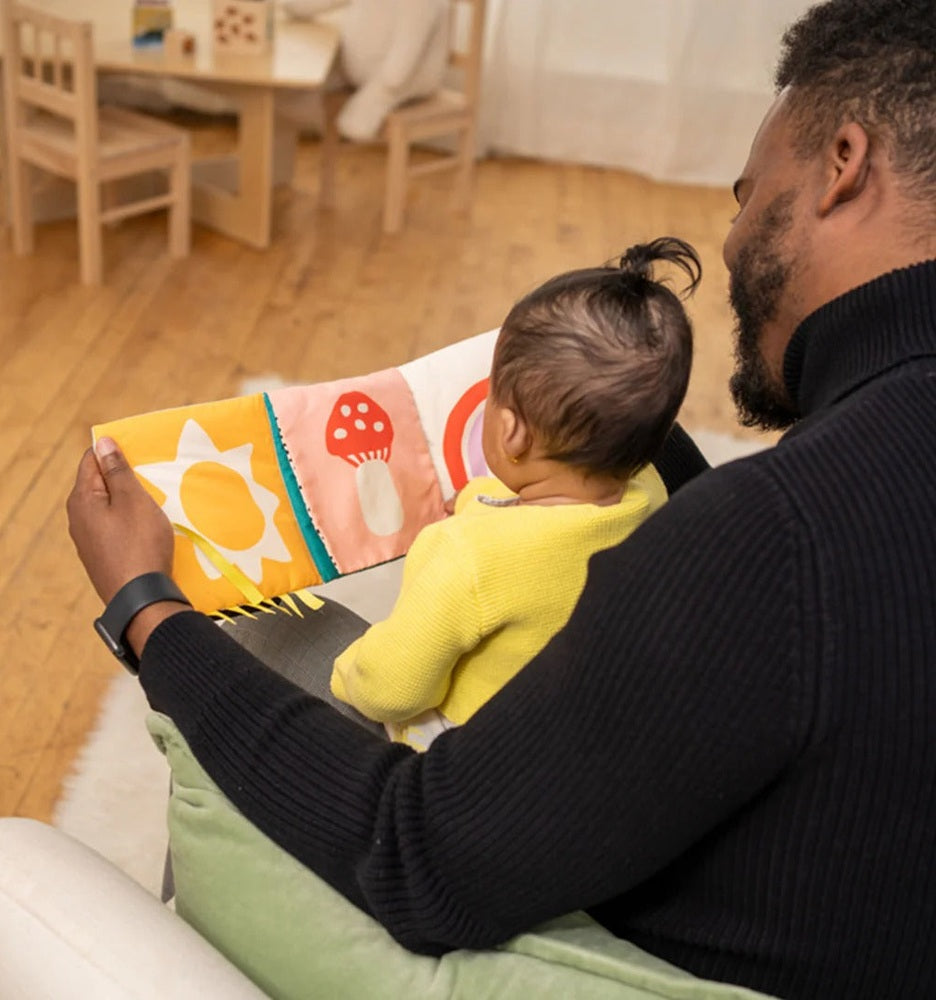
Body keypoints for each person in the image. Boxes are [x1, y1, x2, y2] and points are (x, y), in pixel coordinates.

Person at [66, 1, 936, 996]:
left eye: (748, 194)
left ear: (842, 161)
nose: (734, 239)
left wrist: (147, 609)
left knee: (269, 643)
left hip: (576, 939)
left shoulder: (771, 543)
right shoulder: (799, 507)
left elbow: (420, 855)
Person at [331, 238, 698, 749]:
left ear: (509, 432)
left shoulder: (468, 555)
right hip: (587, 739)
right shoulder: (653, 495)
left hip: (475, 758)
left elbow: (392, 690)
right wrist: (475, 501)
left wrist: (349, 669)